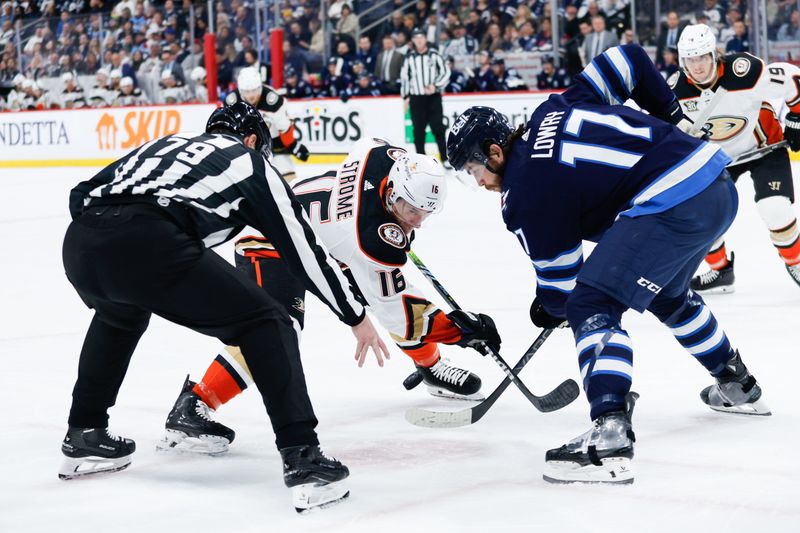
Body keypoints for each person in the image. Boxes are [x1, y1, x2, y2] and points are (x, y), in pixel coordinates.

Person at [446, 43, 771, 485]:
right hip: (715, 183)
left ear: (494, 151)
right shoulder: (553, 108)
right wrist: (675, 120)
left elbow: (563, 287)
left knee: (591, 303)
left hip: (670, 202)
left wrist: (549, 305)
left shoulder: (521, 195)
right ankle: (737, 384)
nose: (476, 181)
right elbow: (630, 60)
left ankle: (610, 433)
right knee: (669, 295)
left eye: (472, 168)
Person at [59, 101, 388, 512]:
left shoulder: (167, 144)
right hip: (149, 239)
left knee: (119, 314)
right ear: (252, 140)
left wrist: (109, 244)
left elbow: (82, 193)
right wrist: (353, 314)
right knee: (269, 321)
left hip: (81, 240)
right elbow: (303, 250)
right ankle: (303, 458)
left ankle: (84, 434)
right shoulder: (250, 162)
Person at [158, 138, 498, 455]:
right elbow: (400, 312)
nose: (418, 224)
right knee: (276, 330)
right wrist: (459, 331)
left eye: (425, 214)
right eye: (412, 212)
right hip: (269, 243)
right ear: (392, 193)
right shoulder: (368, 238)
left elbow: (370, 145)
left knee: (379, 289)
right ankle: (195, 404)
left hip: (317, 238)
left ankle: (431, 368)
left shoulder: (388, 159)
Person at [670, 24, 800, 291]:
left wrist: (797, 118)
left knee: (774, 207)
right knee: (696, 214)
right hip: (716, 158)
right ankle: (721, 271)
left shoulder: (745, 71)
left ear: (713, 54)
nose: (697, 66)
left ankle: (796, 263)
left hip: (764, 148)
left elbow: (793, 78)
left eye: (702, 57)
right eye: (690, 59)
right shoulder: (675, 90)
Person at [226, 66, 310, 182]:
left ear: (260, 87)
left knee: (289, 182)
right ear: (240, 90)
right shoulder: (231, 102)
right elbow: (227, 131)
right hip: (245, 147)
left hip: (274, 145)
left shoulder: (272, 101)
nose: (251, 96)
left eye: (254, 90)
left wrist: (292, 145)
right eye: (247, 91)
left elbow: (284, 127)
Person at [401, 28, 451, 165]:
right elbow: (405, 78)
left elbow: (446, 72)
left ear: (425, 39)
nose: (419, 40)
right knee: (418, 130)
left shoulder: (434, 55)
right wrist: (405, 97)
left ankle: (444, 158)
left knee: (438, 128)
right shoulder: (409, 58)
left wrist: (436, 85)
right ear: (412, 40)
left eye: (421, 37)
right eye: (416, 37)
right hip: (416, 98)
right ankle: (421, 160)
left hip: (433, 97)